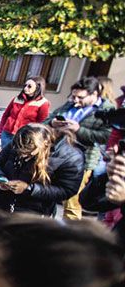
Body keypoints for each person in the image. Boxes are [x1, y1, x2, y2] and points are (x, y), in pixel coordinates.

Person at [0, 123, 83, 216]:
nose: (22, 155)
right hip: (0, 205)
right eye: (19, 151)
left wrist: (29, 189)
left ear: (45, 143)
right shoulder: (19, 141)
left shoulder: (71, 157)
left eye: (28, 153)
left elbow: (67, 190)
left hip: (33, 213)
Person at [52, 76, 111, 220]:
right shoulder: (70, 103)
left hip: (82, 162)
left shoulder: (106, 110)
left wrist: (78, 129)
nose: (76, 100)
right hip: (57, 156)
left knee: (72, 203)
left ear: (94, 95)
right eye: (74, 96)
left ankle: (69, 238)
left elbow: (106, 136)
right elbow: (51, 117)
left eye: (80, 97)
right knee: (49, 195)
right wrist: (53, 122)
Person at [0, 75, 51, 148]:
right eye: (25, 85)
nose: (26, 88)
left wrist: (34, 138)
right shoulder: (17, 99)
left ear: (38, 87)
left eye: (29, 86)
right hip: (7, 134)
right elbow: (5, 115)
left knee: (16, 158)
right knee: (4, 157)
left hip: (24, 137)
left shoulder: (43, 103)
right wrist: (1, 131)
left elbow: (42, 123)